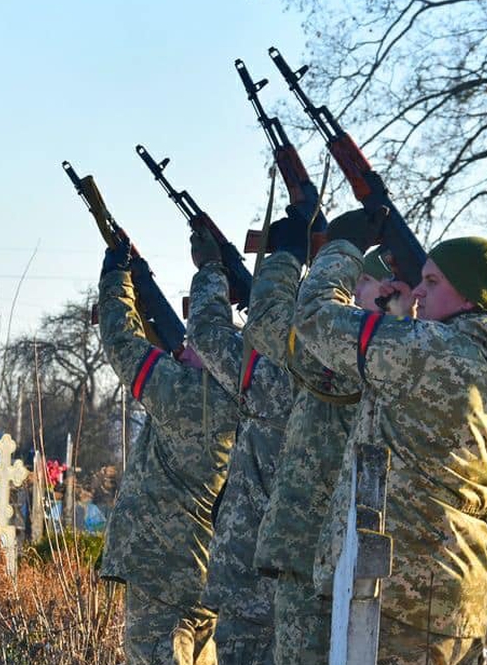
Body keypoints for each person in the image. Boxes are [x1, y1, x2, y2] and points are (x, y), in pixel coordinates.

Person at [296, 210, 487, 665]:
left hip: (401, 594)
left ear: (469, 295)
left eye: (432, 283)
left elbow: (315, 319)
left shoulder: (433, 351)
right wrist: (396, 319)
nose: (417, 290)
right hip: (454, 590)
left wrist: (342, 249)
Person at [242, 222, 398, 665]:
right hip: (329, 560)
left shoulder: (360, 352)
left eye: (361, 280)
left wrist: (288, 253)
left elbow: (270, 320)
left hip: (318, 558)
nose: (350, 291)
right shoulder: (398, 351)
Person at [97, 241, 238, 665]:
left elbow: (121, 341)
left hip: (161, 576)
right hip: (206, 578)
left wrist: (115, 278)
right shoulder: (244, 402)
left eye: (194, 342)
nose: (182, 348)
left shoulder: (182, 394)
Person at [184, 225, 299, 665]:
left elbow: (209, 335)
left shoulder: (277, 375)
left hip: (254, 581)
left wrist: (212, 270)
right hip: (286, 579)